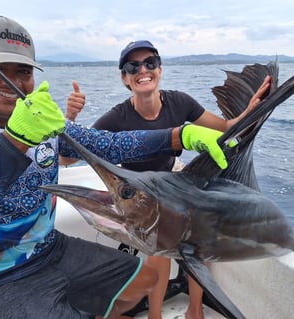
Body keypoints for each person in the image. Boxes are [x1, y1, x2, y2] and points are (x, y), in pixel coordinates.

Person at [0, 17, 233, 319]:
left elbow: (109, 144)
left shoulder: (41, 122)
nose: (13, 82)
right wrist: (13, 143)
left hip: (50, 249)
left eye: (23, 71)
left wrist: (179, 136)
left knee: (145, 281)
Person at [91, 40, 271, 319]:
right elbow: (70, 157)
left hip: (172, 179)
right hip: (138, 192)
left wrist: (252, 108)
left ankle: (196, 310)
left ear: (160, 70)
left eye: (150, 63)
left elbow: (224, 128)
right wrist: (70, 117)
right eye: (133, 66)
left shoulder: (180, 102)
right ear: (125, 77)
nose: (143, 70)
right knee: (161, 244)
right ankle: (155, 315)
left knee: (200, 233)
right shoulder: (115, 118)